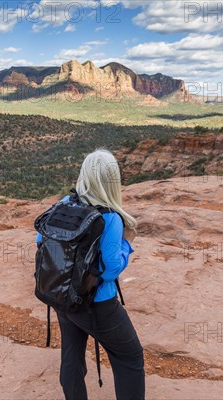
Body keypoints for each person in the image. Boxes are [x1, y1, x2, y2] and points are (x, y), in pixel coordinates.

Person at [35, 148, 145, 400]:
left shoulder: (64, 204)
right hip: (98, 305)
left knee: (72, 354)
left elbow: (39, 238)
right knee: (129, 357)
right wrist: (127, 244)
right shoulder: (110, 218)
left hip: (62, 295)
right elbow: (110, 269)